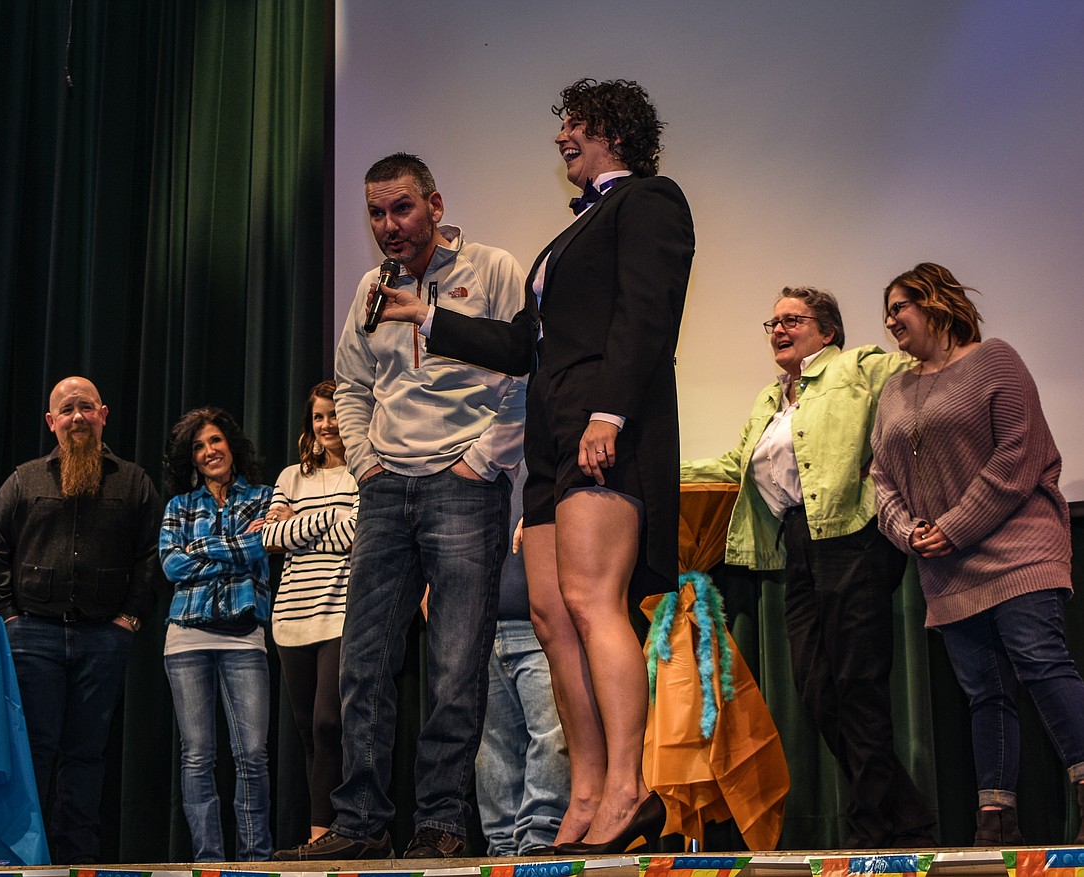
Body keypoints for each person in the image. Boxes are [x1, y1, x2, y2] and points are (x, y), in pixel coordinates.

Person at [373, 79, 694, 854]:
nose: (561, 137)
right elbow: (523, 346)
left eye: (575, 124)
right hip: (552, 443)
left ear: (614, 131)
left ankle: (629, 786)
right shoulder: (566, 237)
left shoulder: (651, 200)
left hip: (602, 427)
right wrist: (431, 318)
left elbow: (649, 316)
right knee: (551, 618)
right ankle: (584, 794)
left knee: (592, 602)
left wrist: (609, 413)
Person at [273, 152, 525, 861]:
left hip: (463, 489)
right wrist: (366, 461)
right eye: (377, 213)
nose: (389, 225)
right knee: (364, 661)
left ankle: (442, 821)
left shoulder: (494, 268)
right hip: (385, 490)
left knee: (453, 664)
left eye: (402, 209)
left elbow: (523, 376)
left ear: (435, 205)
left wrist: (481, 460)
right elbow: (350, 385)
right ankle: (358, 821)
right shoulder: (369, 288)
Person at [681, 287, 935, 849]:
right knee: (816, 685)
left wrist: (889, 457)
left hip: (852, 534)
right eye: (771, 321)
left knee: (857, 683)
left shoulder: (859, 366)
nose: (778, 329)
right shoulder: (770, 399)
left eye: (792, 319)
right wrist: (655, 471)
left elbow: (928, 375)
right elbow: (734, 463)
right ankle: (905, 812)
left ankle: (874, 826)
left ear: (827, 331)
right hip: (798, 542)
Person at [871, 262, 1084, 847]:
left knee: (1041, 664)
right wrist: (909, 532)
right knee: (983, 691)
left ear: (937, 304)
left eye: (899, 307)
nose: (890, 321)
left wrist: (955, 526)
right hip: (945, 566)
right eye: (886, 312)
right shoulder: (894, 388)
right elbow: (880, 476)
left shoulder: (996, 361)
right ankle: (996, 821)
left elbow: (1019, 454)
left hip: (1019, 549)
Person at [0, 375, 161, 864]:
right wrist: (9, 618)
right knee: (32, 750)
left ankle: (77, 861)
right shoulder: (25, 479)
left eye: (86, 407)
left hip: (104, 638)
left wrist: (130, 620)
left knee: (86, 755)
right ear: (51, 422)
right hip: (31, 636)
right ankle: (23, 859)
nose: (78, 417)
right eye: (67, 410)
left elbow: (151, 556)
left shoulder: (134, 481)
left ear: (103, 414)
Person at [159, 406, 274, 861]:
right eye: (199, 447)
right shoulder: (178, 506)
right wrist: (233, 549)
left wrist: (200, 549)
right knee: (197, 757)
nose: (209, 451)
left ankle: (255, 859)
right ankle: (208, 861)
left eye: (215, 441)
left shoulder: (264, 497)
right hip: (186, 637)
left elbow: (263, 543)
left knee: (253, 755)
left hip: (245, 637)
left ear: (232, 444)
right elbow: (170, 564)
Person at [262, 380, 358, 844]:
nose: (327, 424)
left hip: (339, 612)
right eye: (319, 416)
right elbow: (270, 539)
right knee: (307, 732)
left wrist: (297, 525)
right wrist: (323, 523)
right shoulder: (290, 477)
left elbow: (354, 536)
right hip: (291, 618)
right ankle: (323, 832)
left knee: (329, 723)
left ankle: (329, 834)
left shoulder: (363, 471)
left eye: (335, 414)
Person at [475, 467, 569, 856]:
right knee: (490, 749)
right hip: (479, 630)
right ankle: (501, 849)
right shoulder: (475, 454)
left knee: (551, 734)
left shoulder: (548, 458)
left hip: (539, 626)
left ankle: (539, 841)